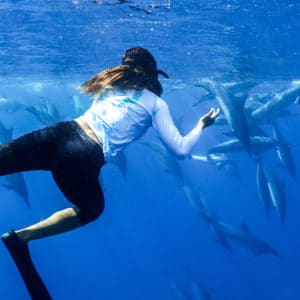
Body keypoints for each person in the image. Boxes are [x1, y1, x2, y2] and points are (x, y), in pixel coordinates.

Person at [0, 47, 219, 299]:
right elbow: (181, 150)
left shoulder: (108, 83)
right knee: (91, 210)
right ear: (152, 73)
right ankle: (20, 239)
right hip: (83, 155)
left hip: (60, 133)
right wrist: (201, 125)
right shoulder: (156, 104)